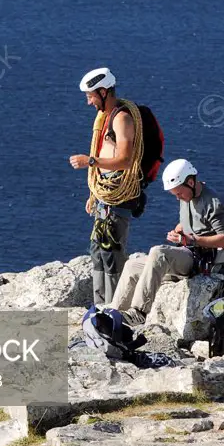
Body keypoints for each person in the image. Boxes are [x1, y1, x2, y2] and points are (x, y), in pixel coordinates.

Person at [110, 158, 224, 328]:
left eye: (179, 194)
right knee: (132, 265)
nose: (177, 198)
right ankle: (115, 314)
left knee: (158, 253)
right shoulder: (187, 196)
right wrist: (178, 230)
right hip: (187, 251)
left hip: (201, 259)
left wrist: (192, 240)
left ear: (190, 182)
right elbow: (192, 221)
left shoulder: (213, 202)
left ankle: (138, 313)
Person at [69, 67, 144, 305]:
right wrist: (94, 193)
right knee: (98, 251)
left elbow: (125, 160)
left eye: (91, 95)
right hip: (104, 197)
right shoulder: (105, 117)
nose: (89, 101)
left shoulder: (121, 118)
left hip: (117, 198)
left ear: (103, 91)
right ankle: (100, 306)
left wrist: (89, 161)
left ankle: (115, 308)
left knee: (112, 252)